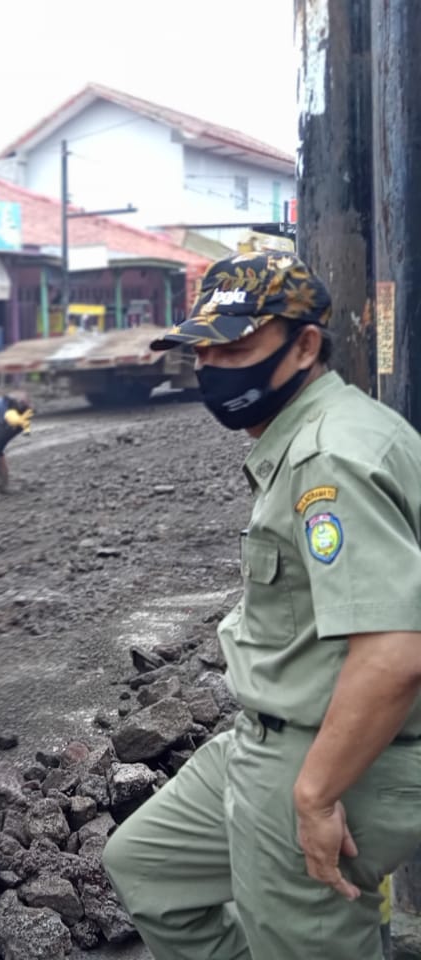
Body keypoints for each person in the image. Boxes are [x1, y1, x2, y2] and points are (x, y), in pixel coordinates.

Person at [102, 251, 421, 960]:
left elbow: (395, 653)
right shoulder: (329, 430)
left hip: (329, 756)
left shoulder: (325, 460)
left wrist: (314, 794)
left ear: (305, 344)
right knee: (145, 865)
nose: (215, 365)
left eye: (237, 345)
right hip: (269, 736)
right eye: (204, 348)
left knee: (309, 934)